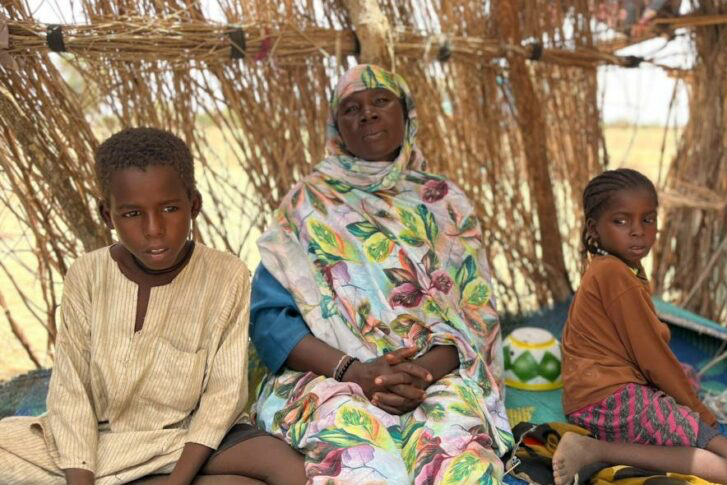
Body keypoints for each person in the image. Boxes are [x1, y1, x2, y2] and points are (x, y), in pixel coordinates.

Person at [250, 64, 512, 484]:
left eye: (380, 101)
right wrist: (355, 372)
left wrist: (415, 375)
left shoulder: (443, 202)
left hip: (433, 375)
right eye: (351, 108)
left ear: (406, 113)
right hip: (330, 376)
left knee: (458, 460)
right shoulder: (305, 205)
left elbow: (475, 317)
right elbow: (271, 322)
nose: (367, 113)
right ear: (336, 127)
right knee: (365, 464)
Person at [0, 128, 305, 484]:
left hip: (188, 438)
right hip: (99, 441)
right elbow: (72, 393)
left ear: (194, 205)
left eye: (170, 209)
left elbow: (222, 396)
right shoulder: (87, 275)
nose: (154, 228)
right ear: (107, 215)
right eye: (132, 214)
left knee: (287, 467)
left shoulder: (226, 275)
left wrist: (178, 481)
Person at [553, 168, 727, 485]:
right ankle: (595, 450)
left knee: (685, 390)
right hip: (610, 402)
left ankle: (606, 448)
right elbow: (652, 357)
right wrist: (699, 411)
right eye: (621, 221)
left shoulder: (615, 267)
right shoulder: (615, 275)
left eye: (647, 219)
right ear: (594, 229)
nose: (638, 231)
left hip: (592, 397)